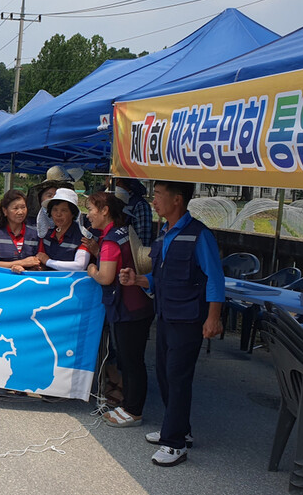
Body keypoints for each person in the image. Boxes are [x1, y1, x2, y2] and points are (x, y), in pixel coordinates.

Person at [119, 181, 224, 467]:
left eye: (158, 195)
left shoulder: (199, 235)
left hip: (189, 318)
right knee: (165, 374)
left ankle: (175, 443)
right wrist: (137, 279)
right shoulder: (164, 233)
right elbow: (159, 277)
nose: (153, 201)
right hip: (165, 314)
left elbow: (215, 278)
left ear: (177, 200)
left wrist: (213, 317)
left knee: (177, 377)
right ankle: (179, 429)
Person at [84, 191, 154, 427]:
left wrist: (92, 269)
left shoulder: (111, 239)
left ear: (105, 211)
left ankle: (133, 410)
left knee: (131, 361)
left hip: (127, 309)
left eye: (92, 210)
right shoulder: (123, 232)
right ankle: (129, 405)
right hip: (139, 306)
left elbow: (105, 276)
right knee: (132, 360)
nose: (88, 215)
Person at [0, 189, 41, 273]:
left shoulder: (36, 234)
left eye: (23, 207)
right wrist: (22, 263)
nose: (20, 212)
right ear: (5, 211)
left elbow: (39, 261)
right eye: (15, 208)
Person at [35, 188, 89, 271]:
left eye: (64, 210)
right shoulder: (46, 234)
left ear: (73, 214)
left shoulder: (82, 237)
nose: (58, 214)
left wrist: (48, 262)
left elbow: (80, 266)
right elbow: (40, 258)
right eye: (54, 210)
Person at [28, 166, 78, 239]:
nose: (54, 199)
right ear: (40, 198)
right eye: (49, 195)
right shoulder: (29, 224)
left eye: (57, 195)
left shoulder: (75, 227)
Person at [116, 178, 154, 247]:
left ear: (117, 179)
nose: (105, 182)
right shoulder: (115, 200)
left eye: (107, 177)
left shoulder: (140, 205)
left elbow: (143, 242)